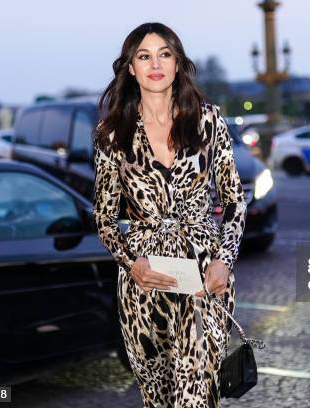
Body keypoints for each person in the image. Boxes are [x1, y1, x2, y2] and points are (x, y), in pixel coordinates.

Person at [92, 22, 247, 407]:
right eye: (144, 56)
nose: (155, 64)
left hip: (203, 276)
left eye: (165, 54)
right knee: (157, 396)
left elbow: (234, 202)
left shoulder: (208, 121)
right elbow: (105, 218)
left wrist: (224, 262)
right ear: (131, 68)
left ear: (178, 63)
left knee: (194, 394)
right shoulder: (111, 134)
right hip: (145, 282)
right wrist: (131, 263)